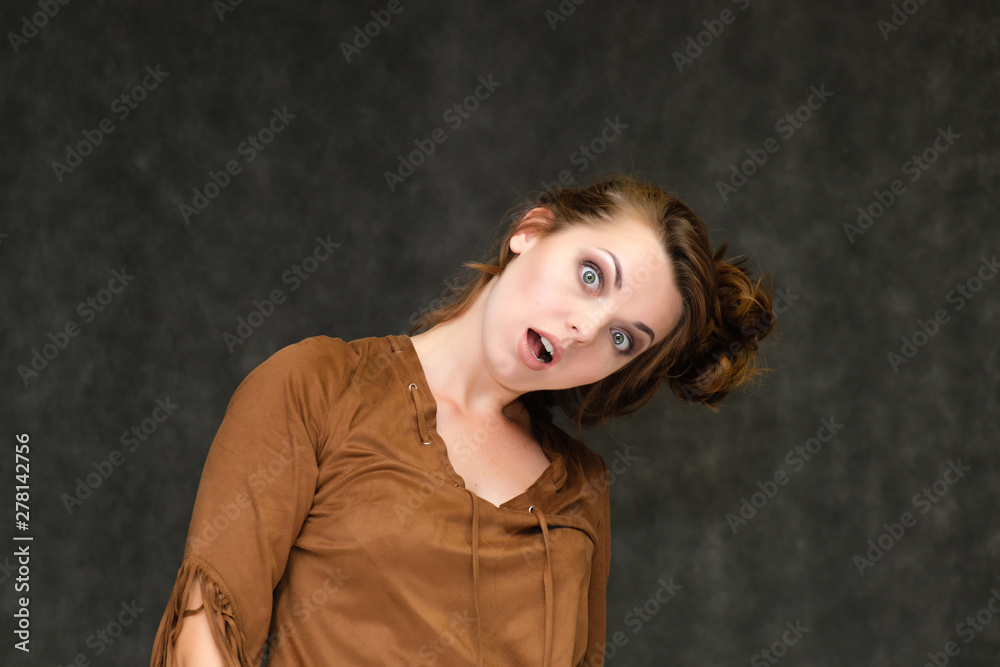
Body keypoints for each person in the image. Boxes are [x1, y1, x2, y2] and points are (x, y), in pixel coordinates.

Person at [149, 174, 775, 667]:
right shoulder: (321, 387)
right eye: (591, 276)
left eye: (622, 338)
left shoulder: (580, 490)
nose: (587, 329)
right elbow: (201, 639)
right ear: (532, 231)